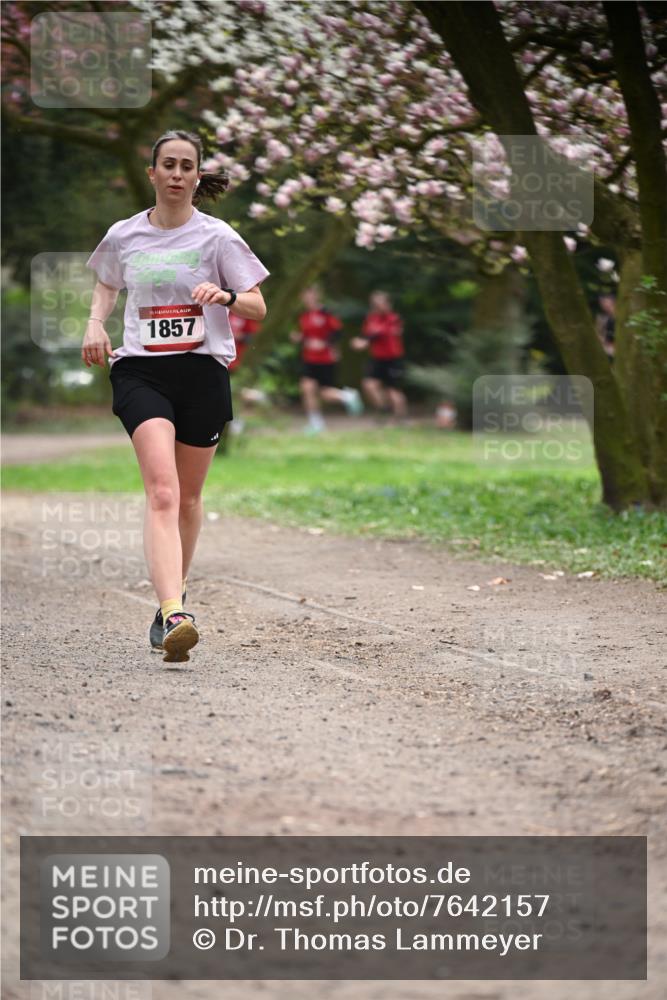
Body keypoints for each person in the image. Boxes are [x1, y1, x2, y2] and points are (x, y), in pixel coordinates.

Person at [82, 129, 269, 662]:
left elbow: (257, 305)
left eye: (188, 166)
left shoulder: (217, 237)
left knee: (187, 498)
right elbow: (106, 282)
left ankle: (172, 602)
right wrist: (96, 324)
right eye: (169, 164)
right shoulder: (124, 234)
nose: (178, 174)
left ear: (198, 175)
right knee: (162, 492)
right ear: (153, 172)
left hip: (202, 372)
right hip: (141, 372)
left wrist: (227, 295)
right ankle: (175, 611)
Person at [289, 285, 363, 433]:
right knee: (307, 388)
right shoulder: (304, 316)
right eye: (304, 295)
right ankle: (316, 423)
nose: (306, 298)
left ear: (317, 295)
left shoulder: (326, 313)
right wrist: (299, 338)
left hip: (325, 359)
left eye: (309, 294)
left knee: (324, 393)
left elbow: (338, 332)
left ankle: (347, 396)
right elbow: (307, 337)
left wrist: (325, 343)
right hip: (309, 358)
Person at [351, 290, 408, 419]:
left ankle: (400, 418)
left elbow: (380, 333)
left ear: (388, 304)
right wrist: (359, 341)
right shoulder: (371, 319)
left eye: (380, 303)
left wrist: (364, 342)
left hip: (393, 359)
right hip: (377, 358)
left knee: (393, 390)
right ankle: (384, 409)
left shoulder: (393, 318)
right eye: (374, 303)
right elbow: (366, 334)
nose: (377, 306)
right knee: (368, 385)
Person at [595, 293, 616, 361]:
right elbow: (599, 334)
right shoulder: (602, 318)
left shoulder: (620, 317)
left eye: (605, 302)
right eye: (602, 303)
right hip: (608, 347)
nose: (604, 305)